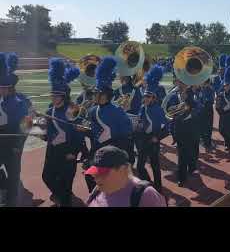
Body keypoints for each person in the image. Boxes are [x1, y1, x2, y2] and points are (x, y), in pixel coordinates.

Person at [84, 57, 133, 192]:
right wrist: (84, 130)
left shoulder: (117, 111)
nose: (94, 96)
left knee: (111, 185)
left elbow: (127, 133)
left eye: (97, 93)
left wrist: (123, 156)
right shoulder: (93, 110)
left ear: (105, 95)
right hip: (97, 151)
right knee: (90, 177)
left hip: (113, 153)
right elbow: (94, 132)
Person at [41, 58, 83, 207]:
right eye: (52, 95)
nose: (53, 98)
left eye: (56, 96)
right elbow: (49, 133)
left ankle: (64, 199)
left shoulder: (72, 110)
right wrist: (43, 134)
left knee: (66, 185)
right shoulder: (48, 110)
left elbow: (79, 134)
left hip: (68, 151)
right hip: (52, 151)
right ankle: (61, 196)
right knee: (47, 177)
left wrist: (74, 151)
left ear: (63, 96)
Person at [85, 146, 167, 207]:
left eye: (103, 173)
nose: (96, 178)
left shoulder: (145, 195)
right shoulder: (98, 188)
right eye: (95, 173)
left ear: (122, 170)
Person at [0, 52, 31, 207]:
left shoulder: (19, 103)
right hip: (1, 143)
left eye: (3, 88)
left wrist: (18, 145)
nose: (1, 90)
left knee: (13, 174)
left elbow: (26, 126)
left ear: (10, 88)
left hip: (13, 144)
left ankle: (11, 200)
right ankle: (4, 191)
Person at [135, 64, 167, 192]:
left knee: (155, 165)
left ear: (154, 98)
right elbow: (140, 122)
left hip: (153, 140)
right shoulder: (142, 108)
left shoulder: (158, 110)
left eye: (148, 97)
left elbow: (167, 127)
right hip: (143, 140)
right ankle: (149, 184)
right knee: (139, 167)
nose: (145, 99)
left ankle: (158, 187)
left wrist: (157, 137)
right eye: (145, 96)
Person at [174, 85, 201, 187]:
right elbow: (174, 117)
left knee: (191, 154)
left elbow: (198, 111)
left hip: (191, 134)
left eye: (184, 93)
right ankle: (182, 178)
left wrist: (188, 114)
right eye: (181, 93)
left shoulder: (194, 103)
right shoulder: (178, 103)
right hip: (181, 134)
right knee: (182, 157)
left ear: (188, 94)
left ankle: (192, 168)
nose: (182, 94)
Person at [215, 68, 230, 152]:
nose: (226, 87)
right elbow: (217, 105)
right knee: (221, 130)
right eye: (225, 86)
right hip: (223, 114)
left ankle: (228, 143)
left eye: (228, 85)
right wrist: (220, 110)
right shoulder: (220, 95)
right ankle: (228, 140)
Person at [199, 78, 215, 152]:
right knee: (201, 126)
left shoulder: (210, 90)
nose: (202, 83)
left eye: (203, 83)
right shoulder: (200, 89)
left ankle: (208, 142)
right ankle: (203, 140)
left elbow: (210, 101)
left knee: (208, 127)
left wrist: (203, 101)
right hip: (201, 111)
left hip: (208, 111)